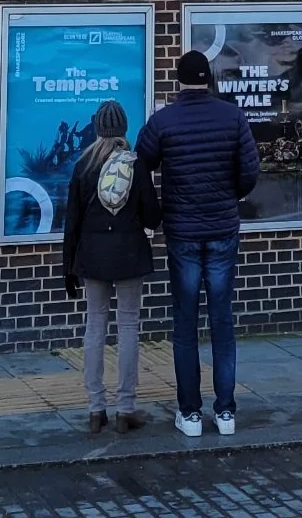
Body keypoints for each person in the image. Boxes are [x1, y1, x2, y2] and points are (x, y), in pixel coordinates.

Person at [136, 47, 260, 438]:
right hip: (222, 230)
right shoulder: (233, 116)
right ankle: (225, 413)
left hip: (183, 233)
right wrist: (229, 196)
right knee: (222, 321)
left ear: (178, 80)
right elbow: (250, 171)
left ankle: (190, 414)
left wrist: (156, 214)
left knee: (185, 324)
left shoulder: (163, 121)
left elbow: (140, 166)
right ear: (209, 79)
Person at [59, 100, 158, 434]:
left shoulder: (83, 166)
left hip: (91, 256)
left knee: (95, 326)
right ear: (124, 129)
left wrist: (68, 267)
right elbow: (152, 217)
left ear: (98, 129)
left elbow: (71, 222)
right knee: (128, 326)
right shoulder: (135, 164)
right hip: (129, 255)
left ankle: (95, 408)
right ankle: (125, 408)